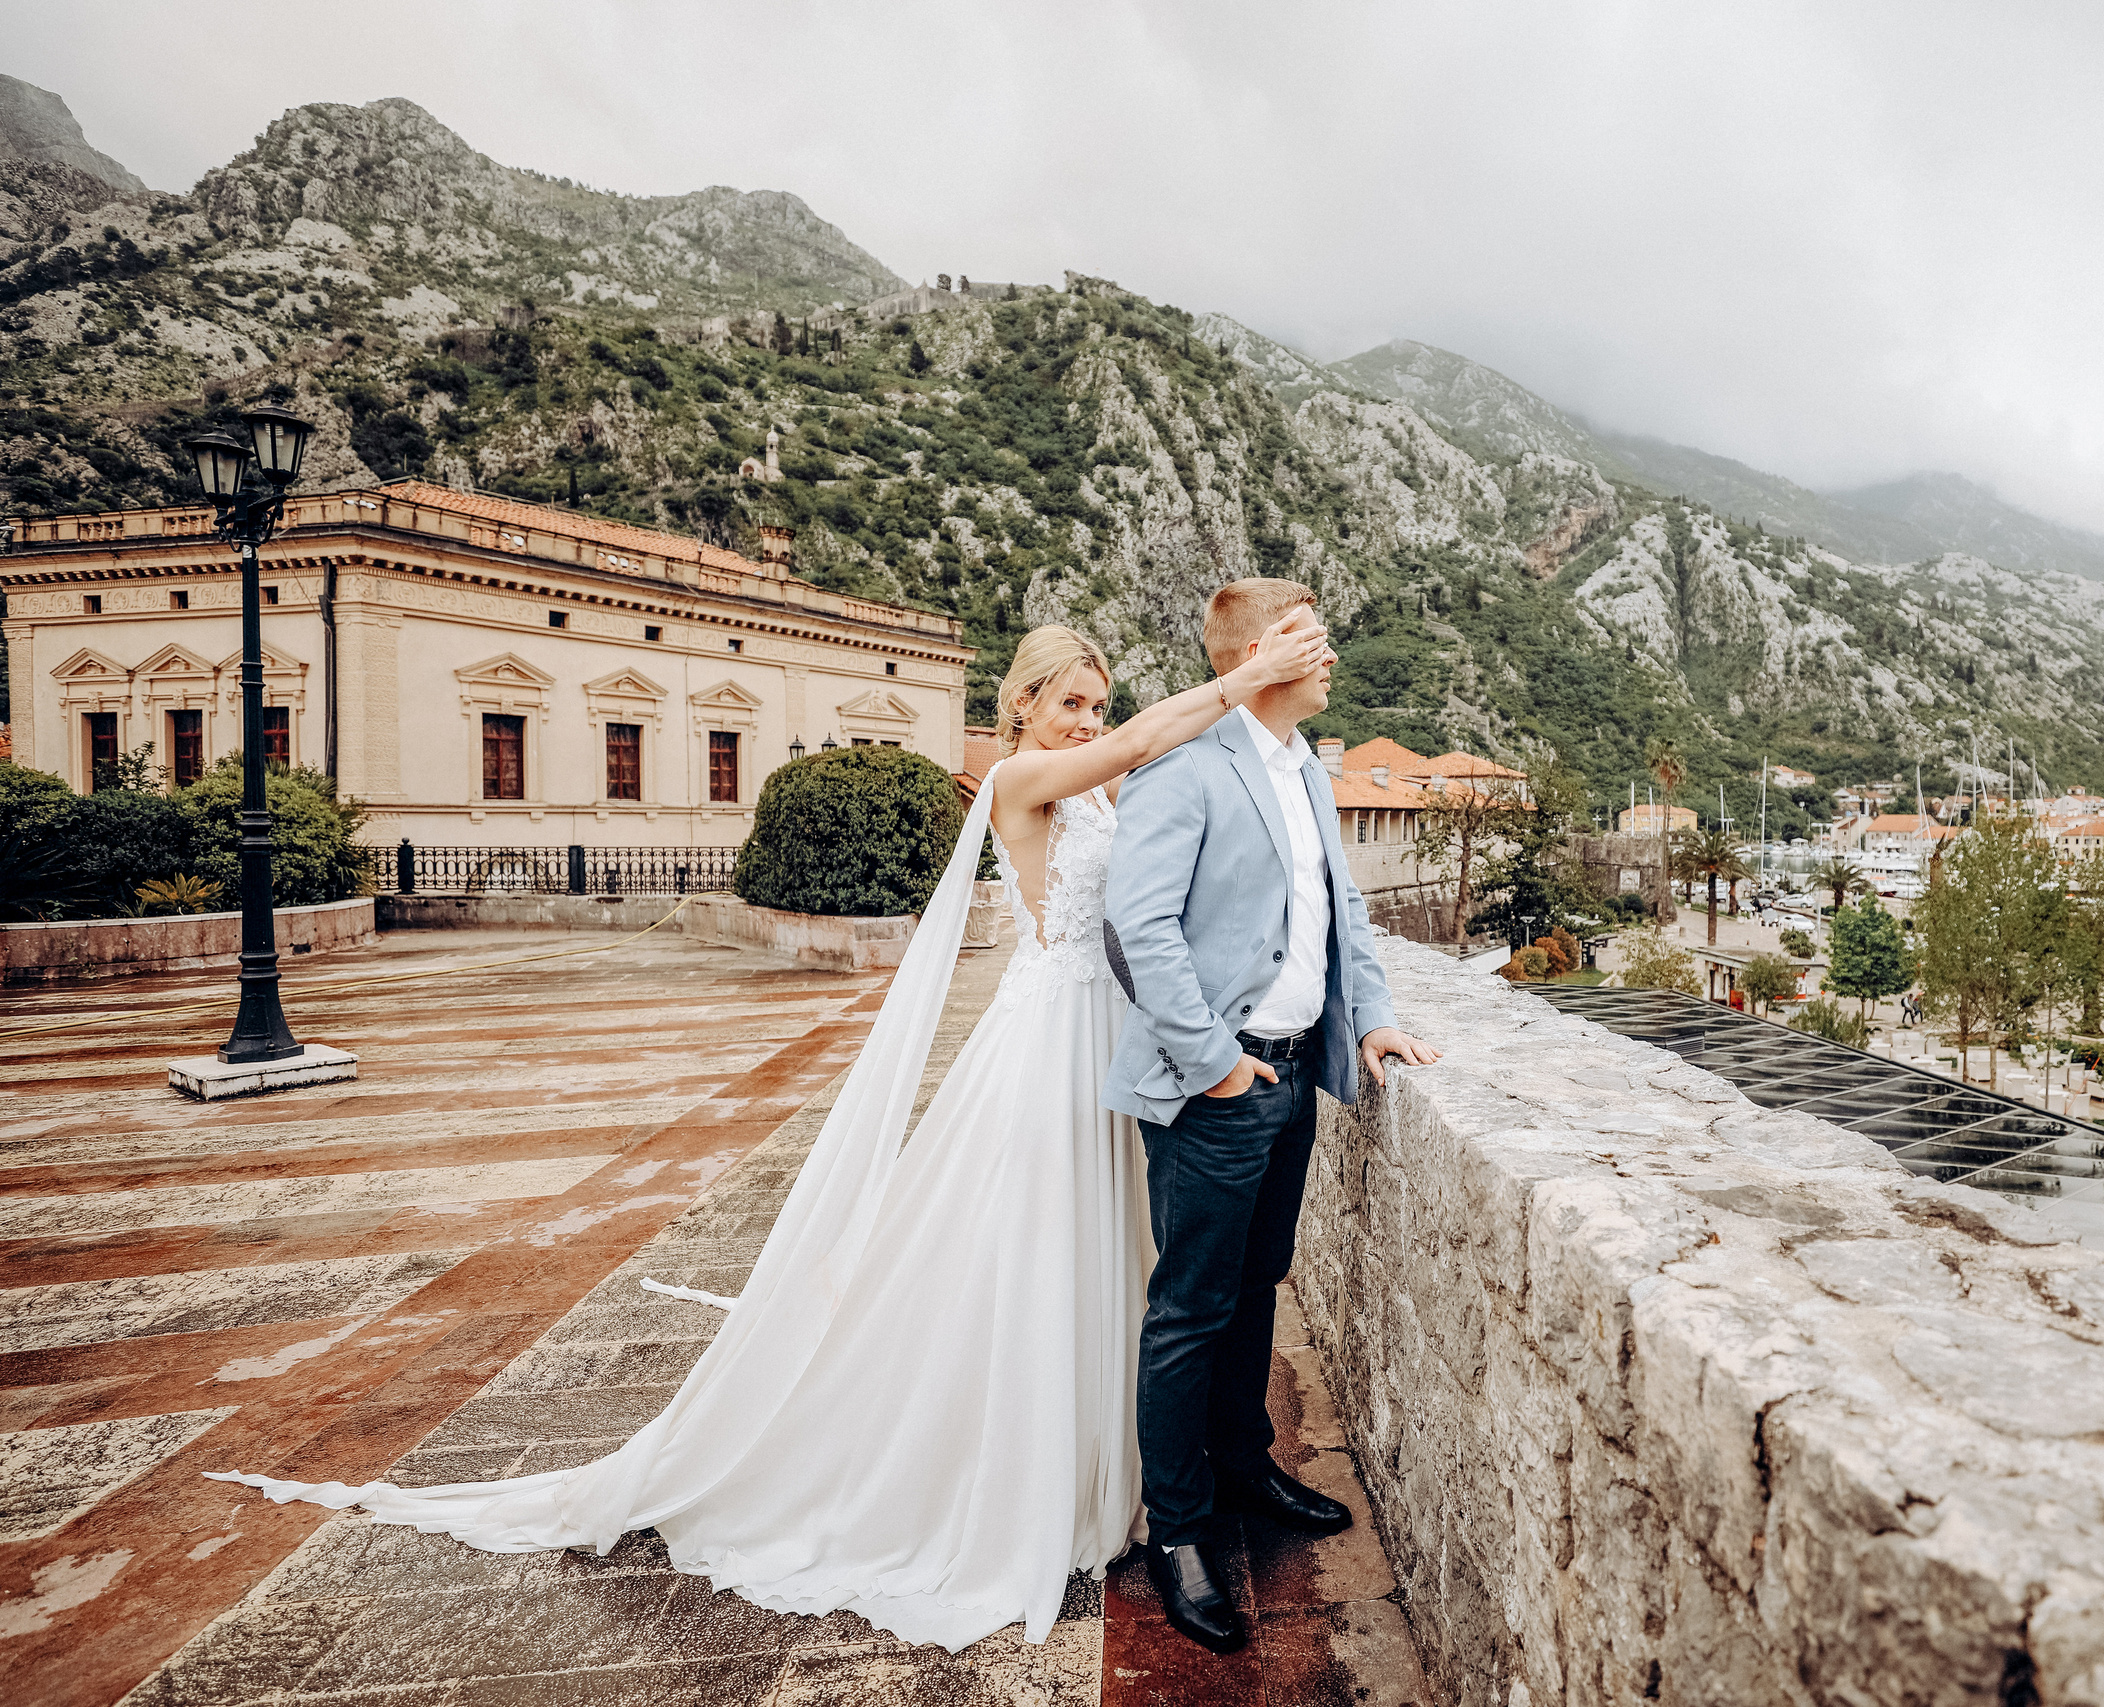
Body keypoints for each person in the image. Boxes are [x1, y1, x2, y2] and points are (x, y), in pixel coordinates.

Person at [207, 609, 1332, 1653]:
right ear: (1021, 711)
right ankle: (1010, 1472)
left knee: (1117, 1262)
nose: (1087, 720)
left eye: (1096, 703)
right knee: (1029, 1250)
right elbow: (1145, 741)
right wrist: (1244, 679)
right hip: (1049, 1040)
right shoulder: (1023, 780)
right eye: (1070, 703)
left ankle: (1128, 1467)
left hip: (1118, 1038)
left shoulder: (1098, 796)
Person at [1103, 576, 1439, 1654]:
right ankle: (1184, 1532)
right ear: (1254, 654)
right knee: (1190, 1307)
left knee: (1258, 1283)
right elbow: (1137, 927)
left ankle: (1245, 1469)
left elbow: (1343, 919)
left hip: (1297, 1077)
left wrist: (1372, 1019)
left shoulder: (1307, 771)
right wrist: (1212, 1065)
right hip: (1221, 1087)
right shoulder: (1183, 771)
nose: (1330, 653)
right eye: (1310, 637)